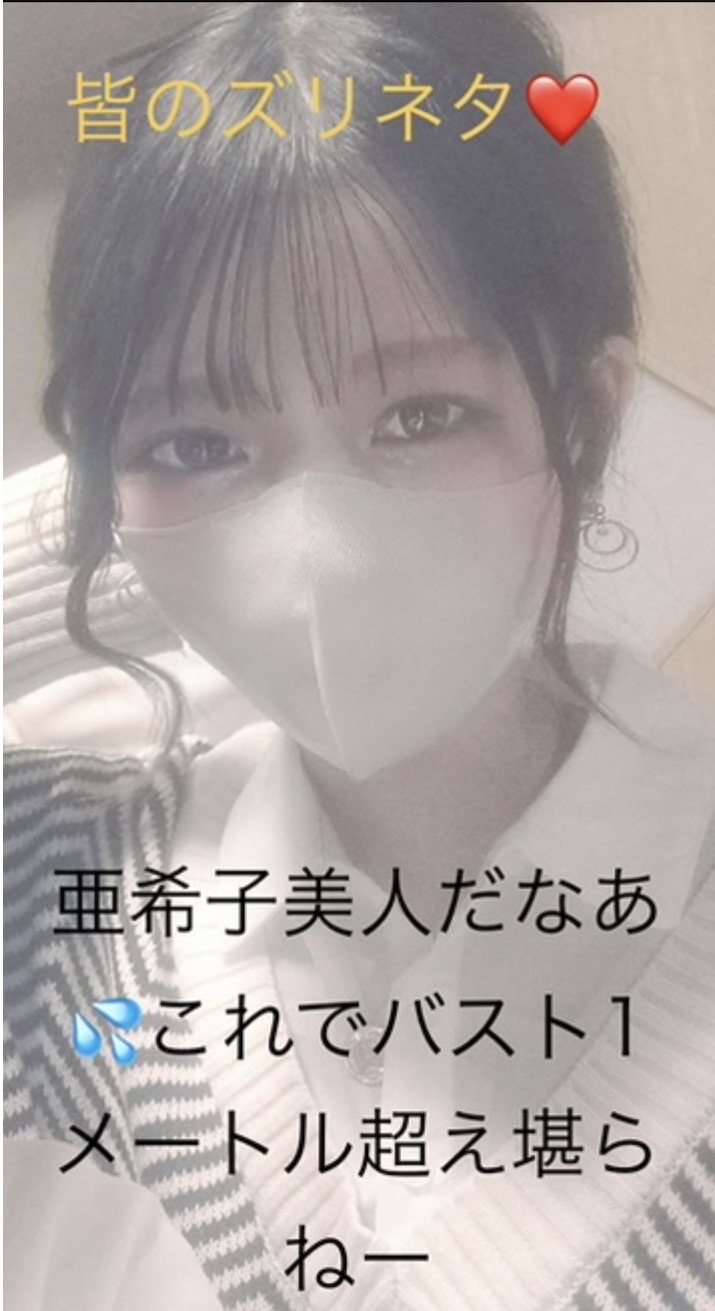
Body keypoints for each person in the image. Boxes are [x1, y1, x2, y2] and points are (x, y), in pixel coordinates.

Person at [4, 3, 715, 1309]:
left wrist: (193, 449)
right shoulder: (51, 887)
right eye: (196, 444)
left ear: (583, 418)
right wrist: (106, 520)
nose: (315, 545)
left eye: (421, 414)